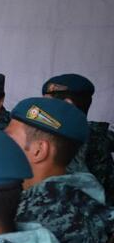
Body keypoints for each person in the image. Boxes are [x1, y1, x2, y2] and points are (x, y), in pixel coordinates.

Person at [8, 97, 113, 243]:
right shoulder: (78, 192)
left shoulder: (35, 216)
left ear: (39, 150)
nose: (1, 146)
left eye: (9, 139)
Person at [42, 73, 114, 204]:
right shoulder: (98, 135)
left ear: (68, 105)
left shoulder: (67, 142)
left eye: (47, 103)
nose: (42, 108)